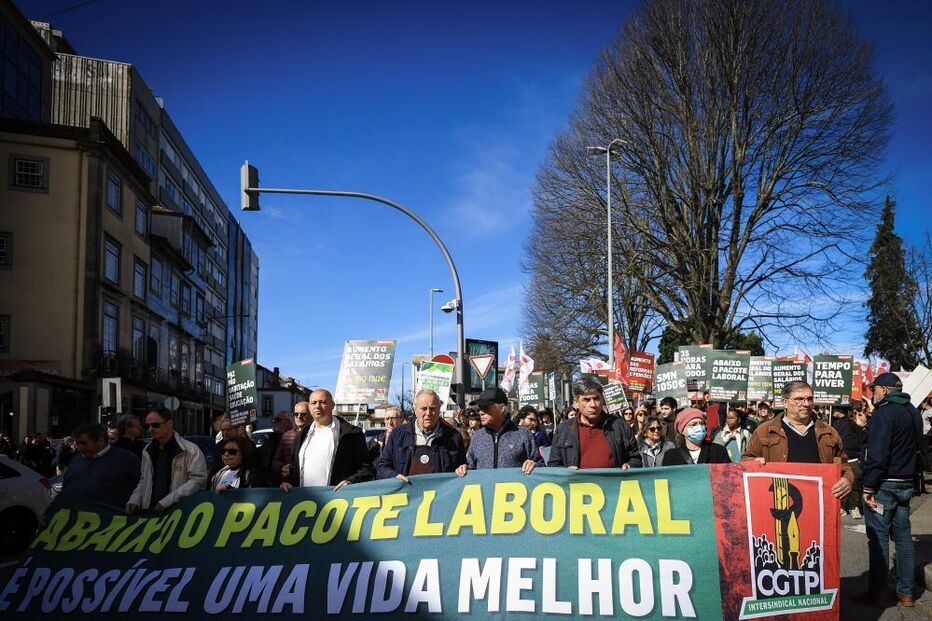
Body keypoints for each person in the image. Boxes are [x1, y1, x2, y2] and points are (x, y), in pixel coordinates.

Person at [857, 373, 923, 608]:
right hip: (906, 481)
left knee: (878, 538)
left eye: (874, 388)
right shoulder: (913, 411)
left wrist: (868, 486)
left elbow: (878, 453)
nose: (872, 392)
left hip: (884, 483)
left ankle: (877, 592)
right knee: (904, 539)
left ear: (884, 390)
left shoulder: (885, 412)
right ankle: (906, 592)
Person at [742, 381, 854, 499]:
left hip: (819, 501)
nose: (806, 404)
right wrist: (753, 462)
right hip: (780, 500)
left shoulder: (829, 432)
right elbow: (746, 460)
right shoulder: (764, 431)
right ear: (785, 403)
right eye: (799, 399)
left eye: (809, 399)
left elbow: (843, 463)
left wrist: (847, 479)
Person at [281, 389, 374, 492]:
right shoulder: (301, 435)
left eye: (323, 402)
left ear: (332, 405)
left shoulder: (352, 434)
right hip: (304, 501)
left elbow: (367, 468)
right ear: (310, 407)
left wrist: (351, 481)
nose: (317, 406)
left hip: (338, 501)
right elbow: (294, 469)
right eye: (313, 403)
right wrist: (288, 482)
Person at [548, 377, 641, 470]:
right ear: (576, 403)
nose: (593, 404)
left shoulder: (620, 426)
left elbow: (636, 459)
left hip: (614, 483)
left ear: (602, 400)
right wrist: (566, 472)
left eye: (596, 398)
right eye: (587, 400)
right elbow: (554, 465)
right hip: (576, 484)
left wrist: (630, 466)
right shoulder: (563, 430)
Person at [126, 409, 208, 514]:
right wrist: (134, 499)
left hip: (178, 514)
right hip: (150, 513)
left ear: (169, 424)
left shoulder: (191, 450)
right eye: (147, 426)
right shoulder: (147, 451)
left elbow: (198, 481)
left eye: (155, 425)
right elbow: (144, 480)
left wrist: (168, 501)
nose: (151, 429)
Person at [377, 390, 466, 480]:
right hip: (407, 492)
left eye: (433, 408)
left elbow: (462, 466)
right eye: (424, 409)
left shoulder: (454, 436)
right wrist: (394, 476)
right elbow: (382, 467)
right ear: (415, 410)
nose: (428, 413)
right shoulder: (398, 435)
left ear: (439, 409)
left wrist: (463, 468)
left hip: (441, 493)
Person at [457, 387, 539, 476]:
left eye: (486, 407)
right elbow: (471, 467)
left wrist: (534, 465)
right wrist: (465, 469)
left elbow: (542, 468)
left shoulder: (524, 434)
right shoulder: (477, 437)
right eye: (480, 408)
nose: (481, 412)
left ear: (502, 408)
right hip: (485, 489)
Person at [55, 423, 140, 508]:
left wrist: (134, 501)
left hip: (113, 516)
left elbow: (141, 487)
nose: (80, 448)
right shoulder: (76, 460)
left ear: (101, 440)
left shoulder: (126, 459)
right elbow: (66, 488)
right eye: (78, 444)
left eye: (84, 443)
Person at [662, 408, 731, 465]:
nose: (699, 427)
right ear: (682, 430)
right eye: (693, 424)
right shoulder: (671, 456)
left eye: (701, 423)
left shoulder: (718, 451)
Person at [255, 411, 293, 485]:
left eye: (278, 419)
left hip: (289, 483)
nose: (274, 422)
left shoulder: (297, 437)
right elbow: (257, 455)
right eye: (273, 420)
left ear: (289, 421)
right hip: (271, 483)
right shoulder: (271, 439)